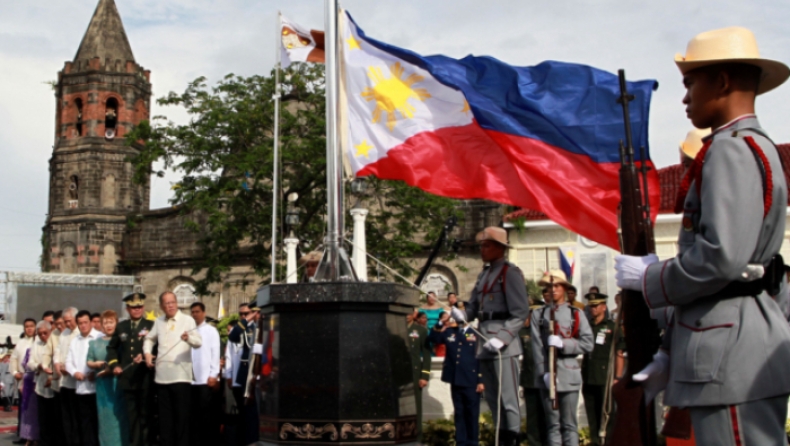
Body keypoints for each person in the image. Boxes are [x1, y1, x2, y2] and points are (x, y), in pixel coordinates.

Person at [615, 27, 790, 445]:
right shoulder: (749, 146)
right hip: (730, 337)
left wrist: (651, 277)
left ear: (722, 82)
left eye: (691, 83)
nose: (685, 97)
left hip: (728, 349)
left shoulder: (730, 149)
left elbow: (722, 259)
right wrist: (670, 353)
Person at [451, 227, 529, 446]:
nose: (482, 250)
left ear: (499, 248)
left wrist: (503, 337)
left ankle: (512, 440)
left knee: (508, 400)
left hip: (503, 345)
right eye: (481, 245)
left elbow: (521, 311)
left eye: (486, 245)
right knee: (494, 401)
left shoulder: (509, 273)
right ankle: (500, 439)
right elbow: (474, 308)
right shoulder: (484, 274)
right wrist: (462, 315)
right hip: (484, 342)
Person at [531, 270, 593, 446]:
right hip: (547, 376)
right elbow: (536, 346)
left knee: (569, 425)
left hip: (568, 373)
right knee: (553, 426)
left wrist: (564, 344)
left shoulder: (576, 314)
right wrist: (544, 372)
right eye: (549, 286)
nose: (552, 290)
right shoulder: (539, 315)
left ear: (564, 288)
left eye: (556, 285)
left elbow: (588, 344)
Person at [144, 292, 202, 446]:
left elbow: (198, 342)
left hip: (181, 377)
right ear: (162, 306)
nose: (170, 305)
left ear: (177, 303)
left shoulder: (187, 320)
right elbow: (149, 339)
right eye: (166, 303)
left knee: (182, 419)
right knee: (165, 421)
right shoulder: (158, 321)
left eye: (172, 302)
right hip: (162, 377)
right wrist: (147, 353)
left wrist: (187, 338)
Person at [427, 311, 483, 446]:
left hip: (471, 380)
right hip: (456, 378)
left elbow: (481, 358)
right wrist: (441, 322)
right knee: (459, 412)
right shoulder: (450, 332)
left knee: (472, 414)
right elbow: (433, 338)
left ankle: (472, 442)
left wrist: (481, 380)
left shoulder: (476, 334)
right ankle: (461, 442)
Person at [107, 293, 155, 446]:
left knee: (146, 415)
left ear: (144, 307)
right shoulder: (121, 326)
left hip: (145, 377)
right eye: (133, 307)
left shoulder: (151, 325)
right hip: (128, 379)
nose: (137, 310)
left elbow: (159, 347)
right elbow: (112, 348)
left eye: (139, 307)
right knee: (132, 416)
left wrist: (148, 355)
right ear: (128, 309)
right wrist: (115, 365)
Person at [581, 294, 622, 446]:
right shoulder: (587, 326)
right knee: (592, 413)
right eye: (591, 306)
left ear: (604, 306)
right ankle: (595, 441)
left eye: (596, 305)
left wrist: (617, 376)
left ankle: (609, 442)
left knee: (607, 413)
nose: (593, 308)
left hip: (605, 376)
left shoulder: (612, 327)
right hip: (589, 374)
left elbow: (619, 353)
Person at [88, 310, 130, 446]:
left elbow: (125, 361)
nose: (108, 325)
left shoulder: (122, 341)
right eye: (105, 323)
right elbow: (89, 361)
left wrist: (109, 370)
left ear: (116, 323)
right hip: (102, 387)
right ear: (101, 325)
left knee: (119, 418)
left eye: (111, 322)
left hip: (117, 384)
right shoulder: (94, 343)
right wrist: (97, 364)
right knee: (104, 419)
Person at [227, 302, 261, 445]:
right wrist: (247, 319)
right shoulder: (245, 328)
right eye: (243, 314)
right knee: (247, 415)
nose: (244, 316)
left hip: (263, 375)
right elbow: (233, 336)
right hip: (247, 375)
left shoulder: (266, 326)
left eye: (246, 314)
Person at [66, 310, 103, 446]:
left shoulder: (100, 337)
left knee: (98, 422)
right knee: (84, 422)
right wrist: (75, 372)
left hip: (98, 387)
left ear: (91, 322)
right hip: (81, 388)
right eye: (80, 323)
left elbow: (105, 359)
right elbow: (68, 362)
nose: (83, 326)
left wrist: (97, 371)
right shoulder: (75, 340)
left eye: (85, 322)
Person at [189, 302, 221, 446]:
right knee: (193, 417)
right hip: (191, 380)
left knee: (206, 416)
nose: (195, 314)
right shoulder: (189, 331)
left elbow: (215, 353)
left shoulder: (211, 331)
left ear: (203, 313)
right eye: (193, 312)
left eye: (197, 311)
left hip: (205, 379)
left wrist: (214, 374)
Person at [520, 298, 547, 446]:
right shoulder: (523, 331)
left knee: (548, 416)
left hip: (546, 379)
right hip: (530, 379)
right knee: (533, 417)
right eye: (531, 312)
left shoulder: (547, 331)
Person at [30, 320, 57, 446]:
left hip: (55, 385)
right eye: (40, 334)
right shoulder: (36, 343)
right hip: (41, 384)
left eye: (45, 333)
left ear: (50, 331)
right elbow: (30, 362)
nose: (42, 336)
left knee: (54, 418)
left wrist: (52, 376)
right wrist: (39, 365)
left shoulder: (55, 340)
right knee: (43, 418)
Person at [407, 307, 431, 443]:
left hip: (414, 372)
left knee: (416, 405)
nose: (406, 315)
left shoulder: (420, 331)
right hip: (398, 373)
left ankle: (417, 437)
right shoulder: (392, 326)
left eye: (409, 313)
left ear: (414, 314)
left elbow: (426, 354)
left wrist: (424, 375)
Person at [57, 307, 81, 446]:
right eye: (65, 321)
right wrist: (58, 364)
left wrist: (69, 368)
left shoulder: (80, 333)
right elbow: (58, 351)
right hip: (64, 381)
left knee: (76, 417)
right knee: (66, 417)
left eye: (69, 321)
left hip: (76, 382)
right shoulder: (64, 333)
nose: (67, 324)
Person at [10, 319, 35, 446]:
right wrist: (15, 373)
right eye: (27, 326)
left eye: (31, 326)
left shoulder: (38, 342)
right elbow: (13, 360)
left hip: (34, 380)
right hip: (22, 380)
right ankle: (22, 434)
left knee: (32, 410)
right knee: (22, 409)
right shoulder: (20, 343)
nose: (29, 329)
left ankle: (32, 436)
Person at [19, 320, 44, 446]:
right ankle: (28, 437)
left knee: (36, 411)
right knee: (27, 411)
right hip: (28, 381)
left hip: (37, 380)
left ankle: (36, 437)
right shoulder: (29, 350)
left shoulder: (44, 349)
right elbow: (24, 364)